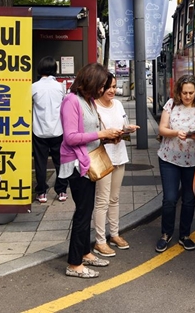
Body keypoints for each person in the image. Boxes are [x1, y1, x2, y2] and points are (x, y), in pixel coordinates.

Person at [60, 63, 124, 278]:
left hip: (88, 162)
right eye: (101, 85)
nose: (102, 90)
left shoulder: (87, 101)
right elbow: (70, 137)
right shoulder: (71, 101)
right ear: (91, 81)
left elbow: (91, 130)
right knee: (82, 213)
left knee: (85, 212)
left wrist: (107, 135)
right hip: (76, 165)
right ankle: (74, 264)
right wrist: (100, 134)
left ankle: (85, 253)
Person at [155, 74, 195, 253]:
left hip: (193, 161)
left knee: (189, 199)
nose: (188, 96)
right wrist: (175, 133)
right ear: (179, 92)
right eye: (184, 93)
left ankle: (185, 235)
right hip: (169, 159)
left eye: (191, 93)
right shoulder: (171, 105)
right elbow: (162, 129)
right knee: (170, 199)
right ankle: (166, 234)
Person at [92, 73, 139, 257]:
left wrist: (128, 129)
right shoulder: (93, 107)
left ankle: (115, 234)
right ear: (99, 88)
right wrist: (106, 134)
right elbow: (92, 135)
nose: (112, 90)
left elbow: (123, 125)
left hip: (119, 155)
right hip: (103, 158)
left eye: (114, 86)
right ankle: (100, 241)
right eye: (108, 87)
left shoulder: (118, 104)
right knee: (102, 201)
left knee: (115, 198)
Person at [32, 56, 67, 203]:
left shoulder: (33, 87)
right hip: (57, 130)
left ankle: (41, 192)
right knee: (60, 162)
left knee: (41, 162)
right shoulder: (60, 87)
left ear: (40, 70)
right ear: (54, 70)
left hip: (39, 130)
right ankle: (61, 191)